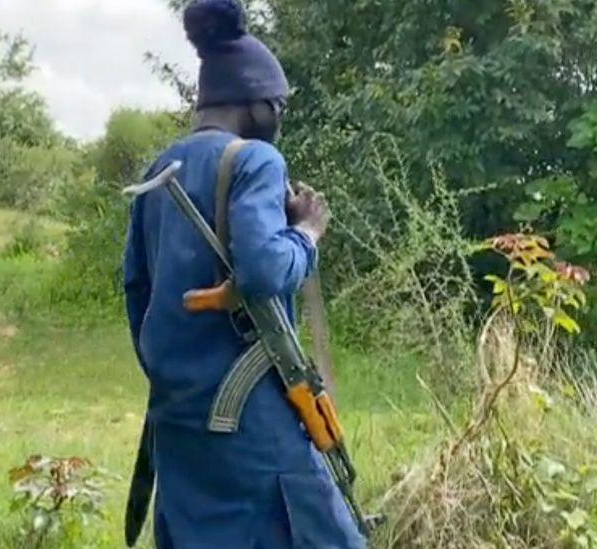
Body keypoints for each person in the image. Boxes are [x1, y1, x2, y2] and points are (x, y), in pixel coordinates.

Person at [122, 0, 367, 547]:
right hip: (253, 423)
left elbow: (137, 291)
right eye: (277, 105)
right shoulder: (257, 160)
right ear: (254, 102)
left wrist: (176, 373)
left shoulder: (158, 171)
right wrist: (306, 233)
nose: (279, 116)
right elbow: (262, 271)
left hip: (178, 418)